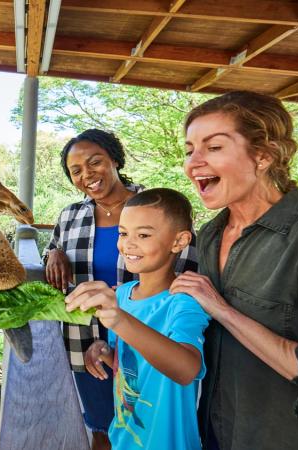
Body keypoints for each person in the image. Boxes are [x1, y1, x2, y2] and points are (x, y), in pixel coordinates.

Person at [169, 91, 298, 450]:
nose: (193, 163)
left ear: (264, 155)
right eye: (190, 149)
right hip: (217, 433)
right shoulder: (210, 234)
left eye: (214, 147)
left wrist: (222, 309)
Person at [43, 129, 198, 450]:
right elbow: (53, 246)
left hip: (149, 343)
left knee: (150, 423)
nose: (87, 174)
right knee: (105, 428)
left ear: (115, 159)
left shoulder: (155, 208)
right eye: (76, 171)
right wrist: (53, 253)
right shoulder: (71, 215)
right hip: (86, 343)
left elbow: (185, 272)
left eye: (94, 162)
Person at [65, 188, 209, 450]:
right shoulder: (121, 295)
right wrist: (104, 351)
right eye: (123, 233)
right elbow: (129, 364)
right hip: (125, 436)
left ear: (179, 241)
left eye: (142, 235)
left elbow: (186, 369)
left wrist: (119, 320)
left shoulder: (184, 301)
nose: (127, 244)